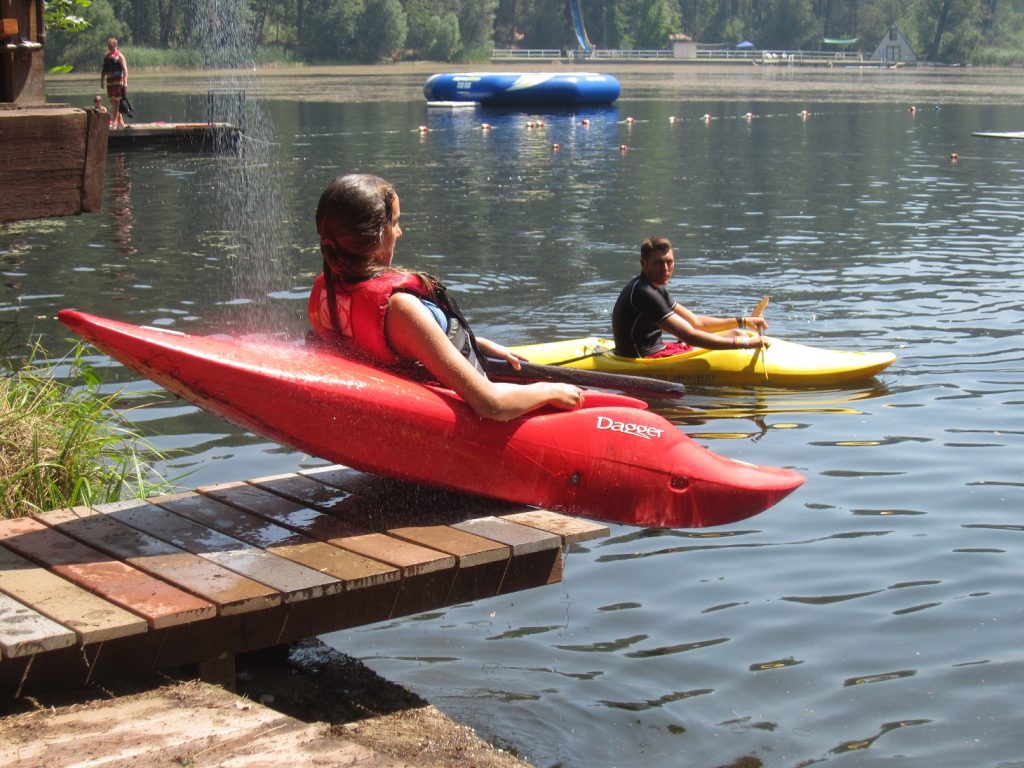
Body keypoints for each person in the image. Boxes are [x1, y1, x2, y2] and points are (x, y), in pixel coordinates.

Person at [308, 173, 583, 421]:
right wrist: (550, 391)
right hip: (473, 423)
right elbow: (492, 404)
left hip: (401, 414)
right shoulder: (400, 309)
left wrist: (476, 343)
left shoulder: (325, 291)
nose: (400, 232)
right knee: (581, 398)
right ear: (377, 236)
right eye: (395, 222)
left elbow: (387, 346)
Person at [612, 235, 769, 358]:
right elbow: (690, 336)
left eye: (669, 262)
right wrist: (745, 344)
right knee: (738, 340)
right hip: (643, 358)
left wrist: (742, 321)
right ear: (643, 263)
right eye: (658, 263)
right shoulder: (644, 293)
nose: (665, 268)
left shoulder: (656, 287)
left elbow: (696, 323)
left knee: (737, 333)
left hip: (659, 350)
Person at [100, 37, 128, 129]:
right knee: (112, 101)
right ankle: (120, 122)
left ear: (115, 45)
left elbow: (125, 70)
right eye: (108, 45)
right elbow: (104, 70)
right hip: (110, 81)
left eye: (110, 45)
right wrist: (102, 81)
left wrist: (125, 81)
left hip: (118, 81)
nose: (108, 47)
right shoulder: (107, 56)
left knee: (116, 101)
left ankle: (115, 122)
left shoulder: (119, 56)